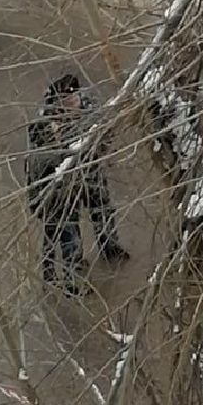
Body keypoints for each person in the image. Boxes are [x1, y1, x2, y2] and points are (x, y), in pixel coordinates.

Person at [26, 73, 128, 294]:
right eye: (66, 101)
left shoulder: (90, 111)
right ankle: (69, 279)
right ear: (56, 103)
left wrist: (98, 151)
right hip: (60, 186)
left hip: (90, 173)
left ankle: (109, 246)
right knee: (65, 232)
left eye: (74, 99)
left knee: (102, 210)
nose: (73, 104)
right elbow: (41, 161)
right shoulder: (43, 126)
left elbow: (105, 134)